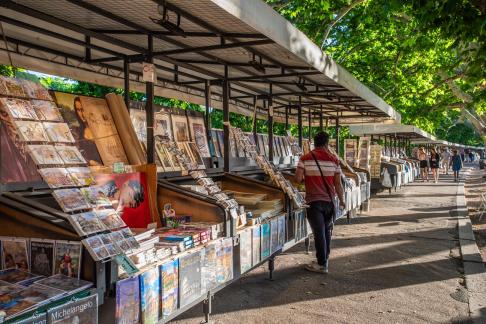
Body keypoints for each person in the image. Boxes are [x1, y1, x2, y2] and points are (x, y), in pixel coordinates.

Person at [295, 132, 345, 274]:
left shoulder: (305, 158)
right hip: (330, 201)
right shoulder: (334, 160)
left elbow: (297, 179)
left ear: (314, 143)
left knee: (318, 233)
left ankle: (322, 264)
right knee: (326, 231)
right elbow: (338, 184)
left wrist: (308, 180)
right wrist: (342, 200)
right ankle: (325, 259)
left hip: (313, 202)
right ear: (326, 144)